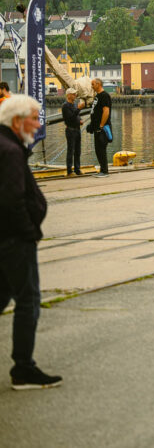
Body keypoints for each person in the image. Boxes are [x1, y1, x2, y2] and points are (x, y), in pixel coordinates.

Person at [0, 94, 63, 390]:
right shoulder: (10, 151)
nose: (38, 125)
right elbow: (12, 200)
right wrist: (29, 231)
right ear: (16, 121)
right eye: (34, 118)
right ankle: (23, 368)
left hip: (6, 238)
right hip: (15, 240)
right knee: (28, 301)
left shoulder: (8, 146)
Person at [86, 78, 112, 177]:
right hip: (97, 127)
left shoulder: (104, 96)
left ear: (98, 84)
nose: (92, 86)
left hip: (102, 128)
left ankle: (104, 171)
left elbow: (106, 111)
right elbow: (95, 111)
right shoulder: (97, 96)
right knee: (98, 149)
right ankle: (102, 169)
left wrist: (101, 125)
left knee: (101, 149)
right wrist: (92, 125)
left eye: (93, 84)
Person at [61, 89, 84, 176]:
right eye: (73, 94)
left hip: (77, 129)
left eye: (75, 94)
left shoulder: (73, 105)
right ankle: (69, 171)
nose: (75, 95)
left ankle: (77, 169)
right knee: (71, 150)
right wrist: (78, 109)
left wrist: (80, 120)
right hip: (70, 130)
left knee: (78, 151)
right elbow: (70, 118)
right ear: (69, 95)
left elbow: (76, 116)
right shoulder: (65, 106)